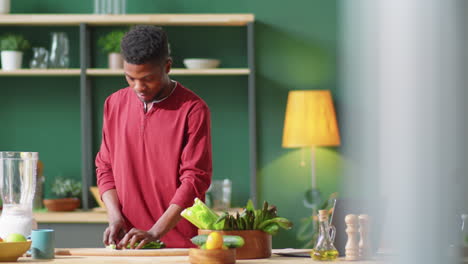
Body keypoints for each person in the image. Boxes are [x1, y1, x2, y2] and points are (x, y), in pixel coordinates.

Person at [95, 25, 212, 249]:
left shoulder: (193, 109)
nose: (138, 86)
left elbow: (195, 180)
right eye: (130, 78)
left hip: (181, 246)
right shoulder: (113, 104)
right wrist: (115, 216)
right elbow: (105, 167)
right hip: (129, 244)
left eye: (147, 78)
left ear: (167, 66)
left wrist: (155, 232)